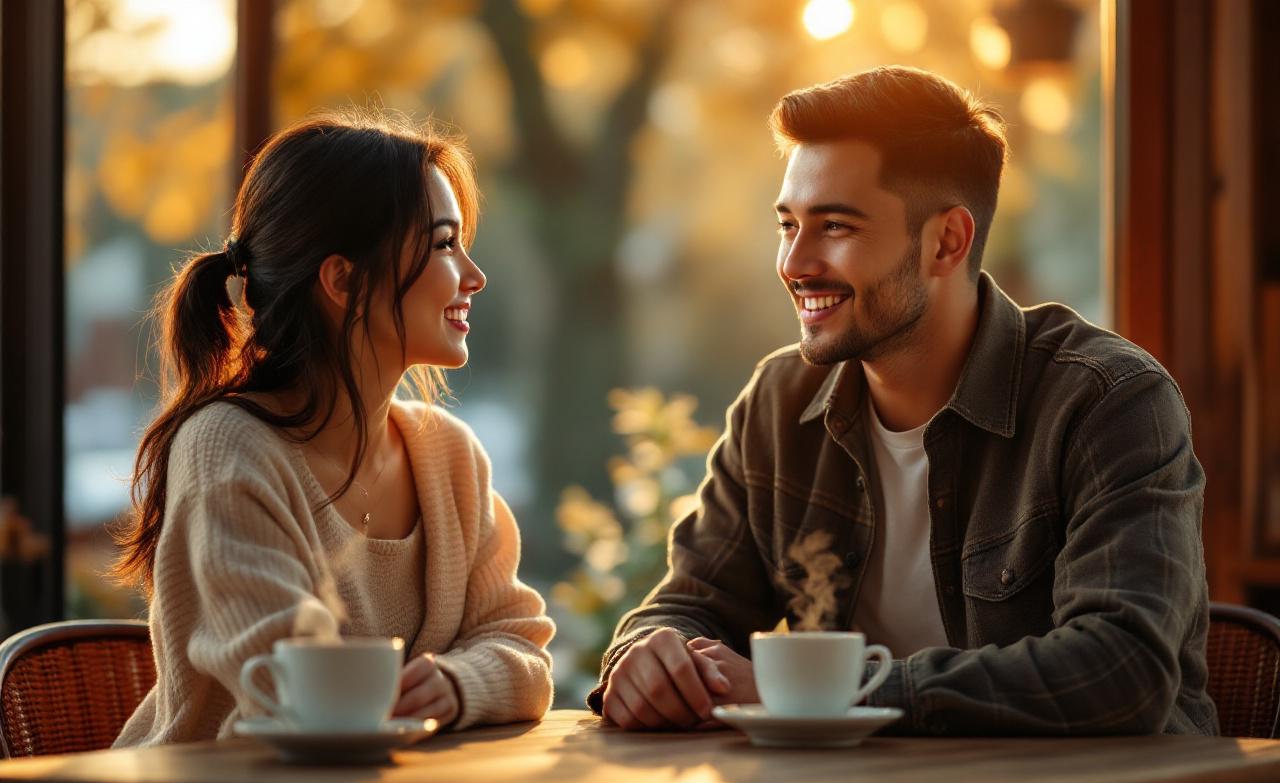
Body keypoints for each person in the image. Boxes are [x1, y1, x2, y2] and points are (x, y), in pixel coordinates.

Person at [588, 66, 1218, 736]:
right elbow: (690, 605)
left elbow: (1120, 672)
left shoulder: (1106, 402)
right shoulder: (778, 404)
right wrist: (648, 656)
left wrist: (828, 692)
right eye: (787, 225)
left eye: (834, 226)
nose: (795, 263)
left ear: (946, 241)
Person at [113, 112, 554, 746]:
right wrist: (430, 687)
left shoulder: (450, 455)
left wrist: (459, 686)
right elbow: (300, 687)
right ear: (343, 280)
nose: (474, 275)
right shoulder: (226, 448)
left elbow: (524, 653)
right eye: (442, 244)